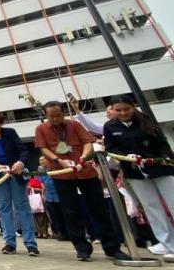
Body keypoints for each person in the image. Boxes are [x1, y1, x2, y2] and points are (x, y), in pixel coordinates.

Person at [35, 101, 129, 262]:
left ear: (64, 113)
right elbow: (43, 148)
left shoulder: (74, 125)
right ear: (46, 115)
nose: (55, 119)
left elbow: (87, 142)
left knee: (99, 209)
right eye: (51, 116)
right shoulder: (41, 129)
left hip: (85, 171)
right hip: (62, 173)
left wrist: (84, 156)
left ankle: (112, 247)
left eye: (58, 115)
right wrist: (58, 160)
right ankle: (82, 247)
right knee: (70, 212)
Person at [104, 95, 174, 262]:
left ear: (133, 107)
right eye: (118, 110)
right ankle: (168, 243)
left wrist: (163, 157)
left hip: (160, 168)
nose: (123, 113)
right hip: (134, 172)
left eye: (126, 109)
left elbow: (162, 143)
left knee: (172, 201)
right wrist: (126, 158)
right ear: (113, 110)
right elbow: (111, 148)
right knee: (151, 207)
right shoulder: (110, 126)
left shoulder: (145, 120)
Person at [0, 111, 39, 256]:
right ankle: (9, 243)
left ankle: (31, 243)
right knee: (4, 207)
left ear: (1, 123)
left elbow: (23, 151)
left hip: (15, 173)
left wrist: (20, 162)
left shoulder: (10, 133)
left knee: (22, 206)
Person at [37, 156, 68, 241]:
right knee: (54, 216)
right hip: (49, 196)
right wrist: (43, 195)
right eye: (40, 160)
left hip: (59, 195)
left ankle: (68, 232)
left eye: (43, 160)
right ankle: (60, 233)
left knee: (64, 214)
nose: (41, 162)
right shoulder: (41, 171)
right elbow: (43, 184)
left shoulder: (55, 168)